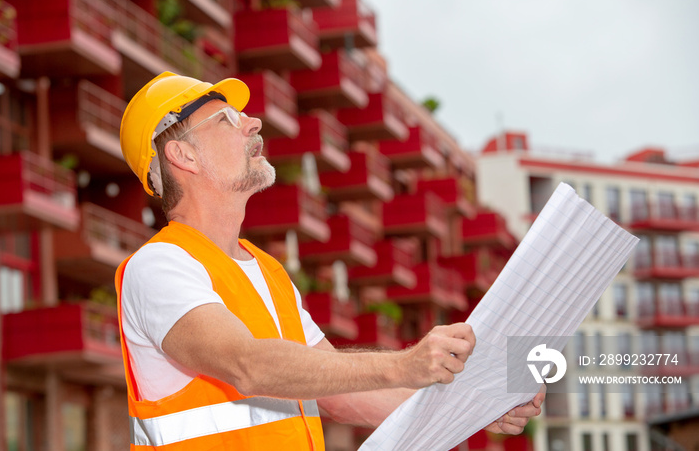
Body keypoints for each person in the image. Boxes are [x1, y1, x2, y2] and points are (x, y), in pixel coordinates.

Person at [116, 72, 545, 450]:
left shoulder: (267, 272)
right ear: (183, 156)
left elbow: (341, 396)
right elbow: (247, 364)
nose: (253, 122)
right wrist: (405, 363)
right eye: (227, 119)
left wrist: (477, 407)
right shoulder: (158, 267)